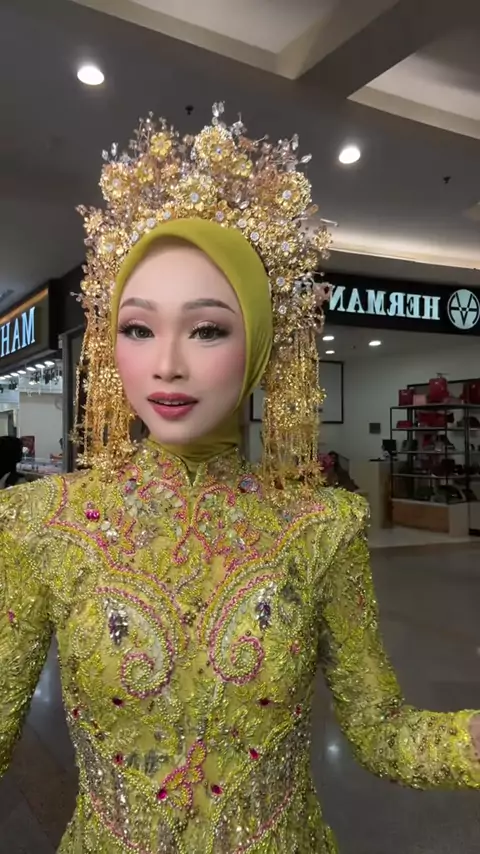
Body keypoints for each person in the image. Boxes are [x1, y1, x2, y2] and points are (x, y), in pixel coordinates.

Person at [0, 106, 479, 854]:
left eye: (207, 329)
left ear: (258, 346)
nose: (167, 364)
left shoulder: (320, 527)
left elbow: (383, 734)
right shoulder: (39, 524)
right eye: (138, 328)